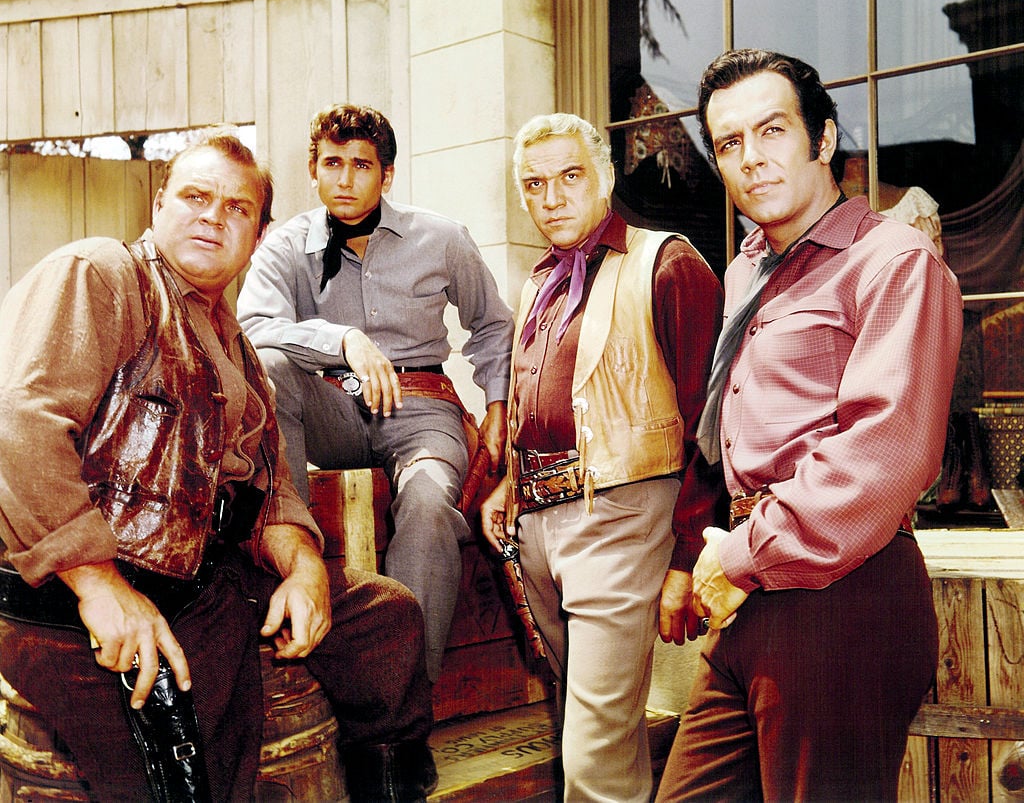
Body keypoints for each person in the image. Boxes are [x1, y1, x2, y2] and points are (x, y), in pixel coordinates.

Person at [0, 131, 437, 802]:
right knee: (186, 773)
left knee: (386, 617)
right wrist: (98, 585)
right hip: (70, 593)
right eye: (195, 197)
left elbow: (271, 487)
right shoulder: (102, 275)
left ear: (257, 237)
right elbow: (19, 426)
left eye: (236, 208)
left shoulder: (239, 349)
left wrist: (304, 569)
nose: (212, 217)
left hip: (204, 576)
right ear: (158, 207)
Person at [655, 49, 963, 801]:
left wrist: (739, 557)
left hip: (844, 595)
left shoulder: (892, 260)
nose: (751, 158)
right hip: (748, 589)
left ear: (823, 139)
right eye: (729, 143)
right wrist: (709, 554)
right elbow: (722, 436)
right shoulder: (745, 271)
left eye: (772, 130)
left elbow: (886, 451)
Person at [479, 112, 724, 802]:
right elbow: (542, 406)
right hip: (538, 526)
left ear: (606, 177)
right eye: (534, 184)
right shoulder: (538, 283)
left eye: (569, 176)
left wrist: (687, 558)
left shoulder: (667, 263)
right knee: (596, 736)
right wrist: (508, 482)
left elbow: (710, 427)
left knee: (591, 759)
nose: (551, 197)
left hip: (621, 516)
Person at [237, 104, 514, 682]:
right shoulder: (285, 246)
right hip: (334, 410)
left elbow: (492, 326)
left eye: (361, 165)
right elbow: (255, 328)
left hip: (423, 411)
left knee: (428, 505)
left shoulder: (442, 237)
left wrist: (497, 406)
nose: (344, 179)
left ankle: (404, 693)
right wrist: (343, 341)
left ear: (386, 175)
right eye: (331, 163)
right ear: (313, 170)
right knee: (270, 366)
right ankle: (296, 565)